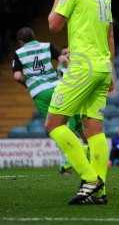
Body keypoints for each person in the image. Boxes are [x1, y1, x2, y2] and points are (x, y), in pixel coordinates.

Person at [46, 0, 115, 204]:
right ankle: (101, 190)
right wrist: (112, 70)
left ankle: (90, 179)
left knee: (53, 124)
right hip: (102, 67)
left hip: (82, 67)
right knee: (93, 127)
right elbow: (110, 34)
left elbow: (54, 25)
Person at [11, 27, 85, 175]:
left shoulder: (18, 54)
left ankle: (68, 159)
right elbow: (63, 60)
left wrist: (28, 84)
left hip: (40, 93)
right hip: (58, 89)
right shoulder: (48, 46)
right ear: (34, 36)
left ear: (20, 41)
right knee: (66, 122)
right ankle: (76, 154)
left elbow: (17, 76)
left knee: (55, 128)